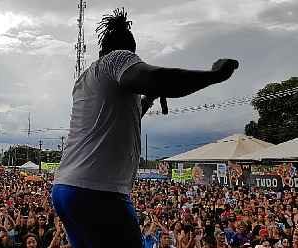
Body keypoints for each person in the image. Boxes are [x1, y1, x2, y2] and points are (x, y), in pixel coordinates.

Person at [52, 7, 239, 248]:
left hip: (66, 188)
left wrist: (149, 99)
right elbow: (156, 77)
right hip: (98, 190)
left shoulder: (87, 80)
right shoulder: (117, 59)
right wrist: (214, 75)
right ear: (128, 53)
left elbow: (124, 117)